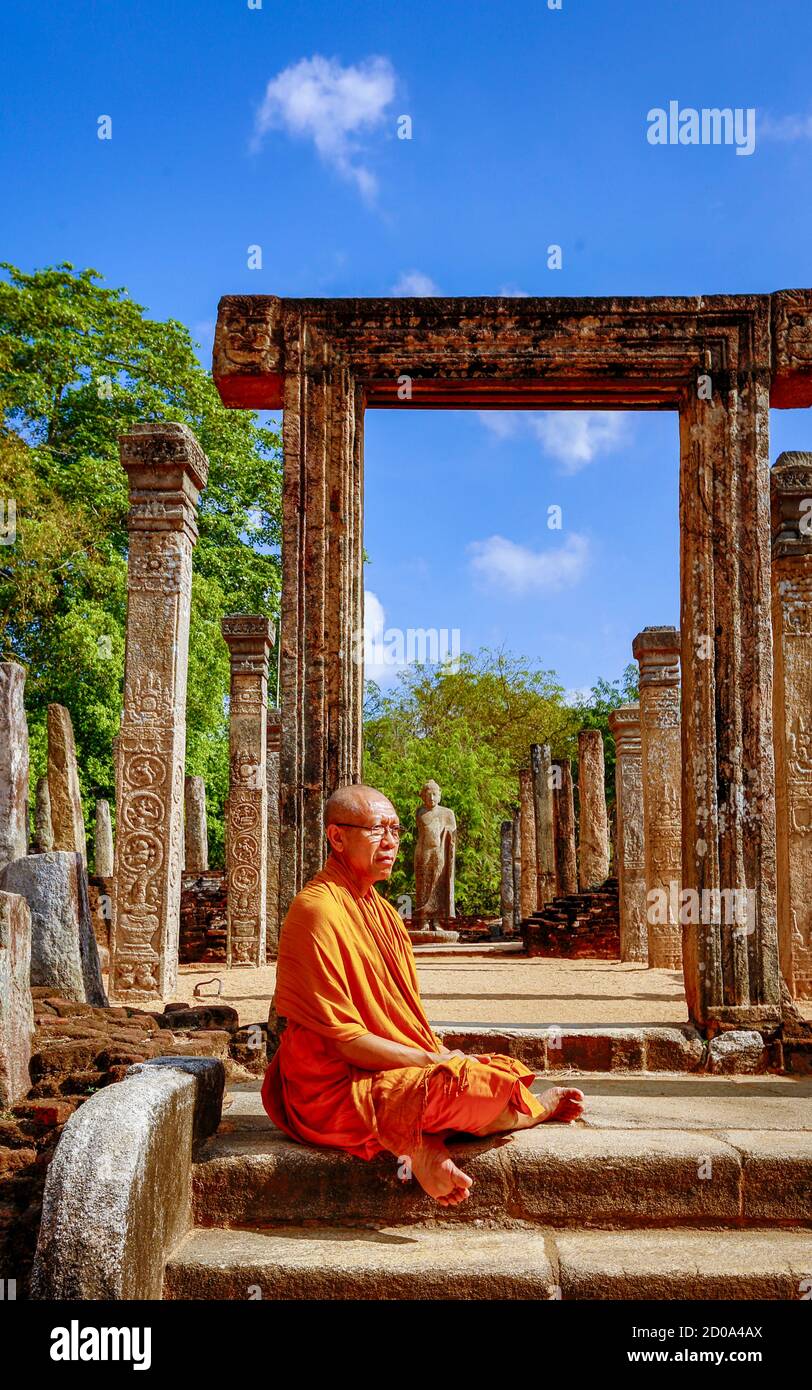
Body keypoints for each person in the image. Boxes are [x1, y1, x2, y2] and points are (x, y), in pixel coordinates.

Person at [261, 783, 584, 1206]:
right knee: (473, 1090)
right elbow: (345, 1042)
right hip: (331, 1089)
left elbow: (403, 1022)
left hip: (385, 1072)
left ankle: (419, 1144)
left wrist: (438, 1057)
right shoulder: (316, 910)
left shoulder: (385, 915)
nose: (391, 842)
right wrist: (434, 1061)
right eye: (377, 830)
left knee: (491, 1075)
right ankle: (516, 1117)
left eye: (396, 830)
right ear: (337, 837)